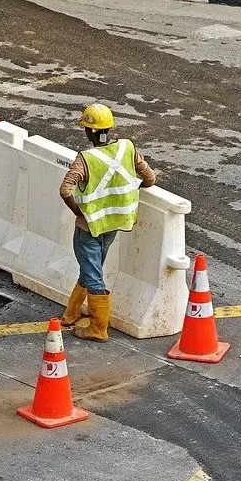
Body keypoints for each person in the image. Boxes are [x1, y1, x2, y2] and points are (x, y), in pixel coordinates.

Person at [58, 103, 156, 342]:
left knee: (93, 273)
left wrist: (79, 213)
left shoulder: (85, 159)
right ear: (109, 128)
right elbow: (150, 178)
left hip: (88, 226)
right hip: (114, 223)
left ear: (88, 131)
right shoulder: (127, 148)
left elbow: (65, 190)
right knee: (92, 267)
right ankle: (71, 314)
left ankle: (98, 328)